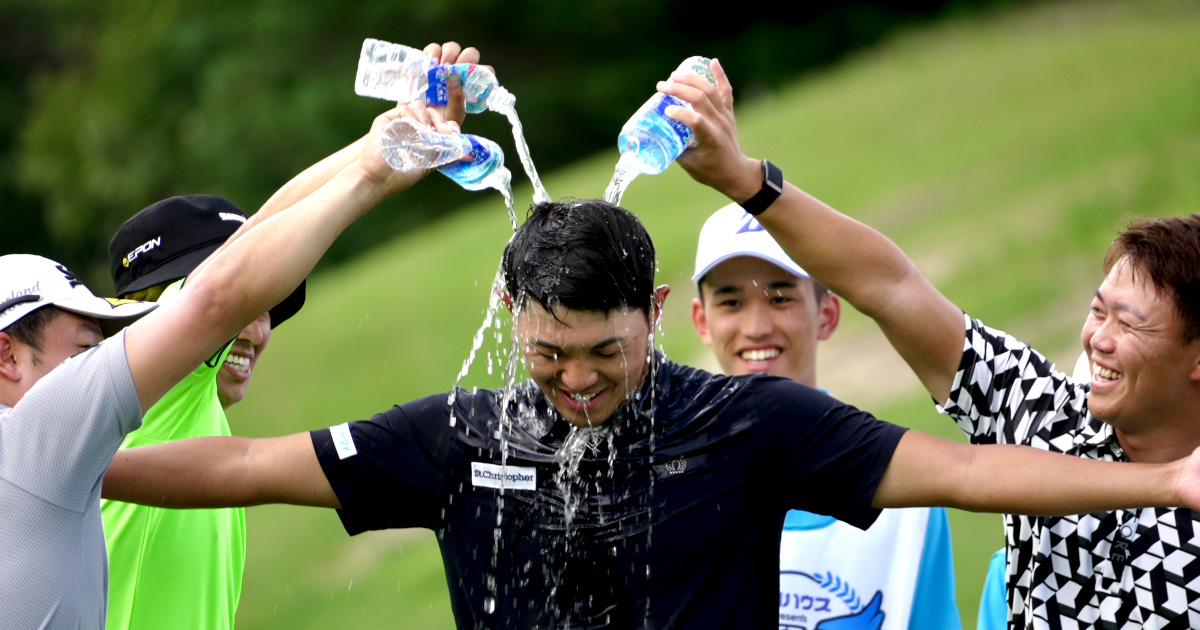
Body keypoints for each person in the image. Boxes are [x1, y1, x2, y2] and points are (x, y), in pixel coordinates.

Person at [105, 195, 1200, 627]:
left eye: (604, 355)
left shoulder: (751, 425)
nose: (575, 382)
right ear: (509, 319)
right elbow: (243, 470)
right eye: (548, 357)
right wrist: (65, 463)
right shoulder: (462, 436)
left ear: (657, 315)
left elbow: (968, 473)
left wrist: (1158, 485)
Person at [660, 57, 1200, 629]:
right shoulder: (1046, 418)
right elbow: (890, 287)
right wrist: (745, 180)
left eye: (1129, 324)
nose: (1098, 341)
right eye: (1097, 312)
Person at [0, 53, 468, 628]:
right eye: (81, 349)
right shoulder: (104, 407)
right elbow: (224, 289)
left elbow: (242, 262)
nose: (256, 325)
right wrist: (373, 165)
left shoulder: (130, 430)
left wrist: (388, 141)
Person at [691, 203, 960, 630]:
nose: (757, 326)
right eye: (731, 301)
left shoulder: (907, 497)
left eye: (780, 297)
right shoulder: (672, 483)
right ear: (701, 321)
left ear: (828, 314)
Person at [101, 194, 305, 630]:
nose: (257, 330)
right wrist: (373, 163)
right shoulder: (149, 398)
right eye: (241, 306)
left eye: (264, 306)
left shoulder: (203, 417)